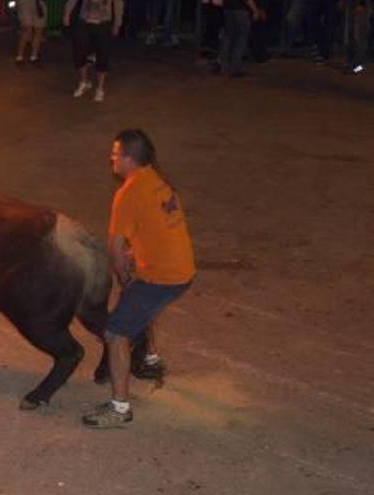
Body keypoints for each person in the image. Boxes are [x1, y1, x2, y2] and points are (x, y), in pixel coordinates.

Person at [82, 129, 195, 428]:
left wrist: (123, 277)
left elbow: (115, 248)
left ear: (130, 159)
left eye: (116, 153)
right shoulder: (157, 179)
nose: (111, 158)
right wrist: (138, 257)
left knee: (117, 333)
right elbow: (157, 229)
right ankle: (150, 358)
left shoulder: (129, 193)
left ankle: (119, 409)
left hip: (163, 277)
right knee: (143, 307)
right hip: (181, 269)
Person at [64, 0, 124, 103]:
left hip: (103, 23)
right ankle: (83, 82)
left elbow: (118, 4)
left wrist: (117, 23)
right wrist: (66, 14)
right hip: (84, 22)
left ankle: (100, 88)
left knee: (102, 54)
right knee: (79, 51)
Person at [214, 0, 261, 77]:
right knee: (241, 38)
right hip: (240, 10)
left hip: (227, 8)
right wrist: (255, 10)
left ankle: (222, 65)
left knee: (228, 36)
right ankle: (234, 68)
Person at [15, 0, 46, 65]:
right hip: (24, 2)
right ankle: (19, 57)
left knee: (39, 29)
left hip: (38, 2)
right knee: (27, 28)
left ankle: (34, 57)